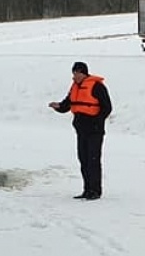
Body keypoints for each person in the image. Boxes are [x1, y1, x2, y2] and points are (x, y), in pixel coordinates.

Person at [48, 61, 112, 200]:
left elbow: (107, 107)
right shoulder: (74, 87)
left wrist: (98, 121)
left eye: (78, 72)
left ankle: (95, 191)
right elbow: (66, 105)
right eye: (74, 73)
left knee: (93, 160)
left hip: (94, 130)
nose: (75, 76)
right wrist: (57, 106)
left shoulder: (97, 86)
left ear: (84, 73)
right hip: (81, 129)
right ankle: (87, 189)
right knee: (83, 159)